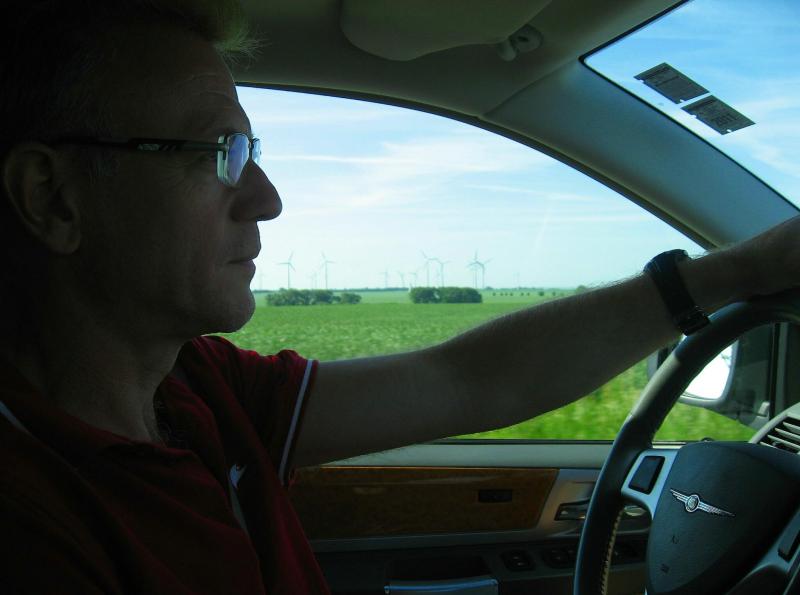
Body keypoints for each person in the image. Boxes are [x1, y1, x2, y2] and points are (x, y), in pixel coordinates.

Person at [1, 1, 799, 593]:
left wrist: (731, 272)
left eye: (250, 150)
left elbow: (471, 379)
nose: (267, 198)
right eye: (218, 151)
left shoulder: (199, 388)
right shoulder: (29, 521)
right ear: (53, 197)